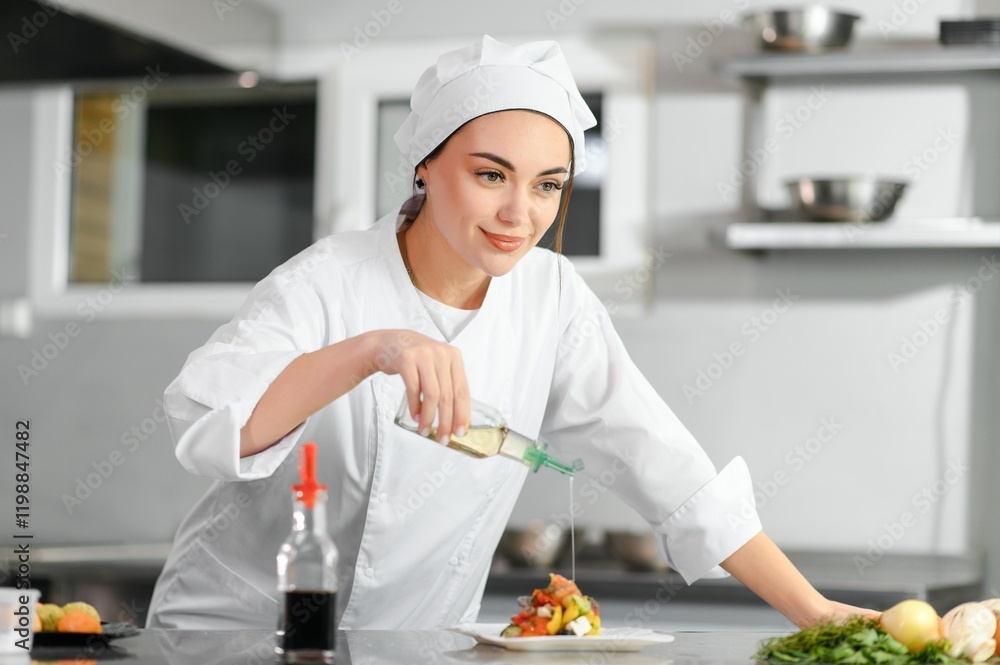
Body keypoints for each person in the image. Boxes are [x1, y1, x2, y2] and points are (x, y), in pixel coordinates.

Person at [147, 34, 871, 631]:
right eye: (492, 175)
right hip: (235, 637)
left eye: (548, 184)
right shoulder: (326, 281)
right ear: (427, 164)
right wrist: (376, 349)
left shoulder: (551, 299)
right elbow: (212, 422)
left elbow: (669, 468)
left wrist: (816, 612)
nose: (519, 213)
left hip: (414, 647)